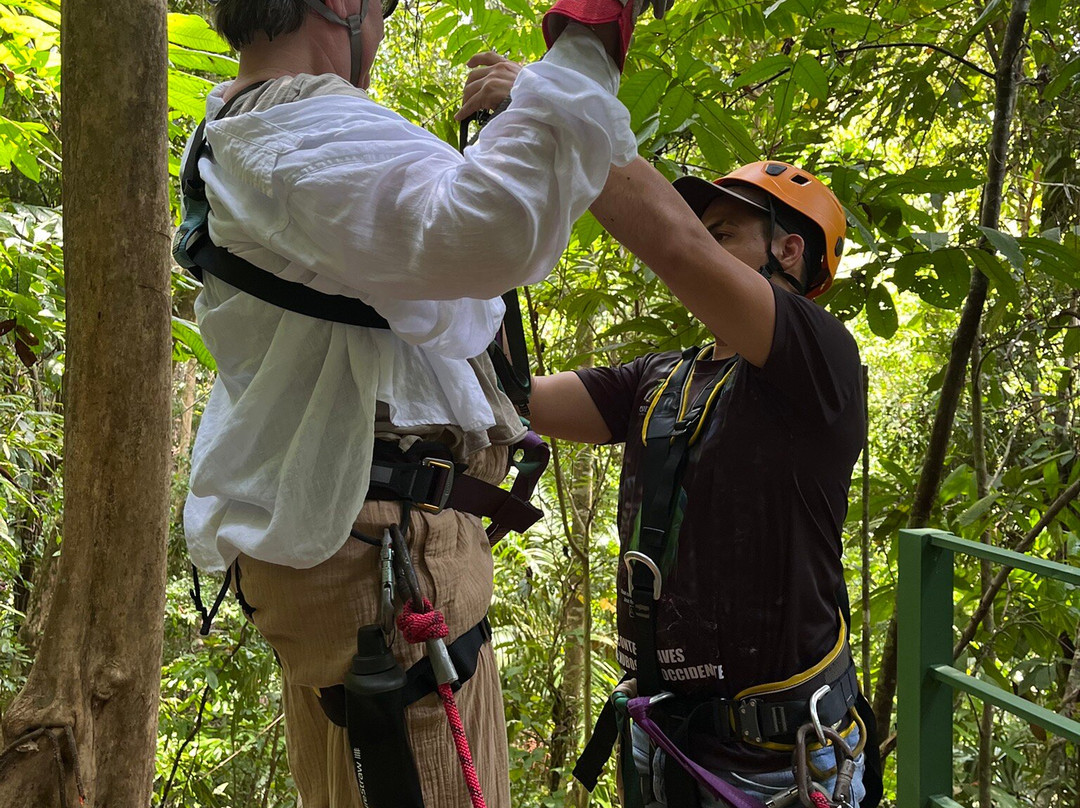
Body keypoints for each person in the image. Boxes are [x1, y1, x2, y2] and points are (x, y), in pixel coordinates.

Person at [177, 0, 675, 805]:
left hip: (369, 568)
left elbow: (439, 256)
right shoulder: (293, 130)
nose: (378, 30)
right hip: (388, 581)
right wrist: (590, 31)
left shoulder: (256, 130)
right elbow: (493, 226)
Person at [458, 58, 877, 807]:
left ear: (788, 250)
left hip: (780, 763)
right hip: (665, 743)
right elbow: (517, 397)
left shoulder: (818, 362)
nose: (704, 245)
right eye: (705, 232)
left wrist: (550, 104)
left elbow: (674, 245)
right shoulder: (662, 379)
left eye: (725, 234)